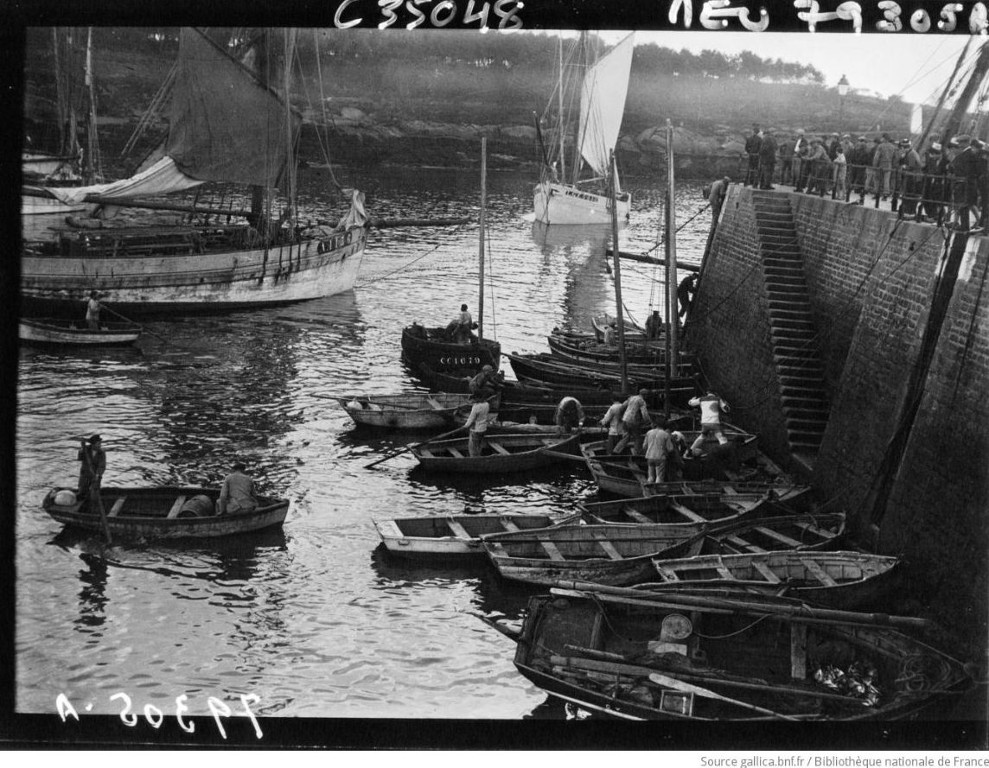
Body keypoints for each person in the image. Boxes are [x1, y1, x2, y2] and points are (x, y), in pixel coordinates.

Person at [687, 390, 730, 455]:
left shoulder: (701, 399)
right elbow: (726, 410)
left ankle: (690, 450)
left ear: (707, 392)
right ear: (715, 393)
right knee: (721, 438)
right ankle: (726, 452)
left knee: (702, 436)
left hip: (705, 423)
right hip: (715, 423)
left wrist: (692, 399)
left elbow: (690, 403)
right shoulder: (718, 399)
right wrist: (726, 404)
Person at [643, 417, 675, 484]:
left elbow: (644, 446)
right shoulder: (665, 434)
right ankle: (658, 488)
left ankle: (649, 487)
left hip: (649, 456)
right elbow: (670, 449)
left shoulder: (649, 432)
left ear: (656, 424)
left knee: (650, 477)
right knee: (659, 477)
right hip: (660, 457)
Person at [621, 388, 653, 456]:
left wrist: (622, 415)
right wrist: (649, 422)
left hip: (625, 419)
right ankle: (637, 454)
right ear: (645, 395)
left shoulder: (631, 398)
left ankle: (617, 450)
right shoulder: (641, 401)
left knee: (626, 436)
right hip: (633, 421)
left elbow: (623, 406)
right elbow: (644, 414)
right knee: (637, 438)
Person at [77, 434, 106, 498]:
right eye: (98, 444)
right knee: (81, 492)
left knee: (94, 494)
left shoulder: (101, 452)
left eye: (100, 443)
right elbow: (80, 458)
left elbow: (102, 465)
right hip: (85, 474)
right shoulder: (86, 449)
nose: (100, 445)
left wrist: (98, 474)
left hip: (95, 474)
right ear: (93, 444)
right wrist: (81, 451)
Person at [462, 392, 491, 457]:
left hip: (476, 429)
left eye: (474, 399)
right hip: (483, 428)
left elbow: (471, 418)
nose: (473, 401)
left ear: (478, 398)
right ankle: (478, 456)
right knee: (479, 445)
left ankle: (473, 459)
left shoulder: (476, 407)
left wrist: (465, 426)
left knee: (472, 448)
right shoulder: (487, 404)